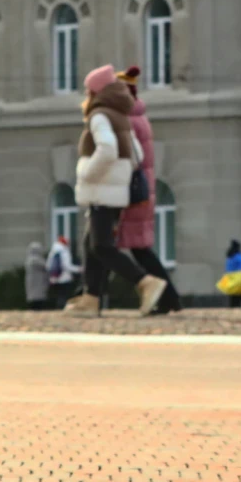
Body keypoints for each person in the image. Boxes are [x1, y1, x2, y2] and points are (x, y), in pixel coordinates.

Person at [64, 65, 168, 318]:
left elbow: (108, 149)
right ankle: (91, 298)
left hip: (102, 190)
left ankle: (145, 282)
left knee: (102, 246)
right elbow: (138, 155)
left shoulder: (99, 115)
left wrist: (88, 171)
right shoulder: (120, 114)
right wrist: (120, 175)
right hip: (115, 192)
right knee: (91, 244)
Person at [115, 66, 183, 315]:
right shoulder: (139, 116)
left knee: (133, 249)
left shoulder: (128, 120)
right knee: (139, 249)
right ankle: (170, 299)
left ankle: (168, 298)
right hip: (143, 191)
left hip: (133, 193)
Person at [47, 235, 81, 309]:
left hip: (54, 278)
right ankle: (62, 309)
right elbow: (67, 266)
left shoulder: (52, 251)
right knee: (64, 296)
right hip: (64, 278)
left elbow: (48, 266)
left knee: (59, 296)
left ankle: (59, 308)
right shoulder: (64, 251)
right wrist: (78, 269)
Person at [224, 240, 241, 309]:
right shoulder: (238, 256)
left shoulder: (229, 256)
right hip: (238, 279)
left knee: (232, 298)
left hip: (230, 279)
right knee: (238, 299)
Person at [25, 242, 48, 311]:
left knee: (34, 297)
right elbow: (46, 266)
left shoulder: (30, 259)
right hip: (38, 282)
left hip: (34, 281)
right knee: (37, 298)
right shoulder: (35, 259)